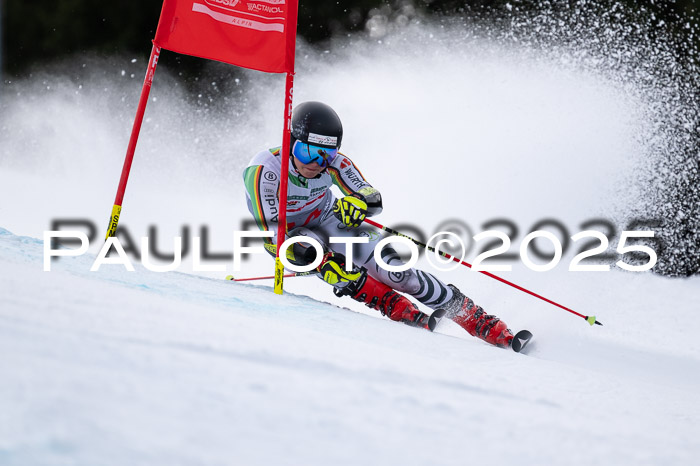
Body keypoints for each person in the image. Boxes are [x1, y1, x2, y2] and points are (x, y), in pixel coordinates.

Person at [243, 101, 515, 348]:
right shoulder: (265, 170)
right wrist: (319, 260)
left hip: (328, 219)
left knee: (397, 272)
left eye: (326, 156)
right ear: (292, 141)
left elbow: (372, 197)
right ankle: (391, 304)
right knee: (333, 266)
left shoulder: (336, 164)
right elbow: (272, 235)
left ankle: (474, 318)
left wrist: (359, 203)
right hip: (289, 234)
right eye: (308, 152)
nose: (316, 164)